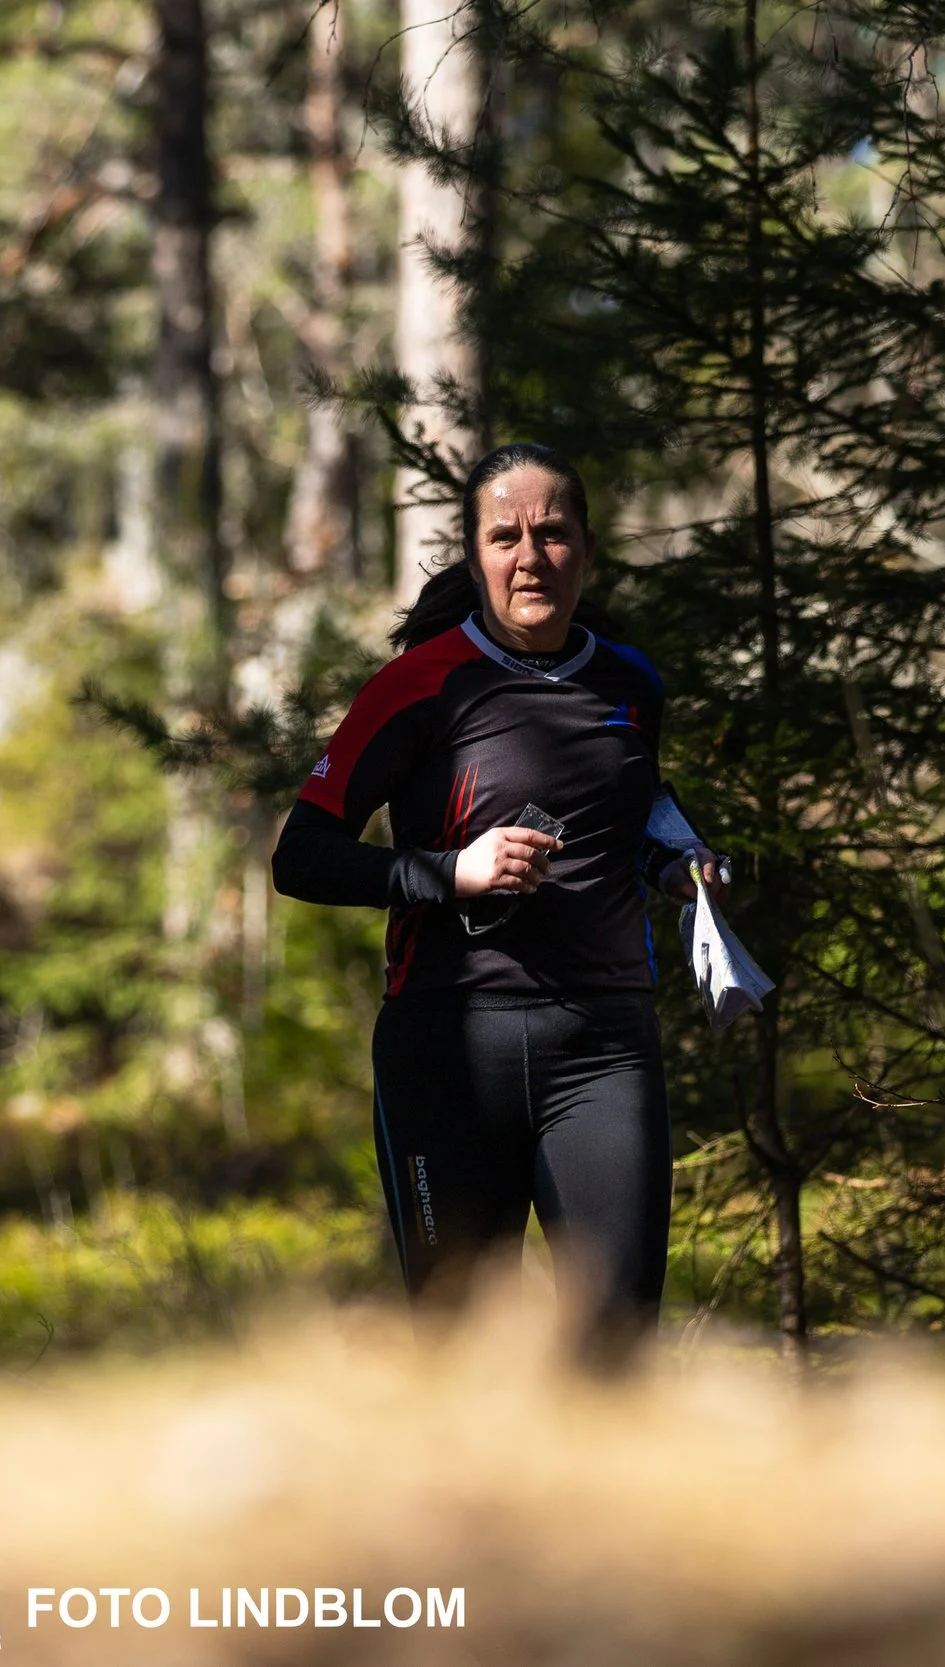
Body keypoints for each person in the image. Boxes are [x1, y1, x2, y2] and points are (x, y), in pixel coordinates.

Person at [271, 441, 726, 1358]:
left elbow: (632, 807)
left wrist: (677, 866)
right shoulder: (418, 684)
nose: (530, 557)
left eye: (552, 533)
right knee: (462, 1347)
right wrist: (448, 872)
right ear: (475, 555)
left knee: (616, 1344)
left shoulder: (631, 684)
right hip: (447, 1047)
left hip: (603, 1047)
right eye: (505, 537)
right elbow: (301, 857)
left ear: (586, 549)